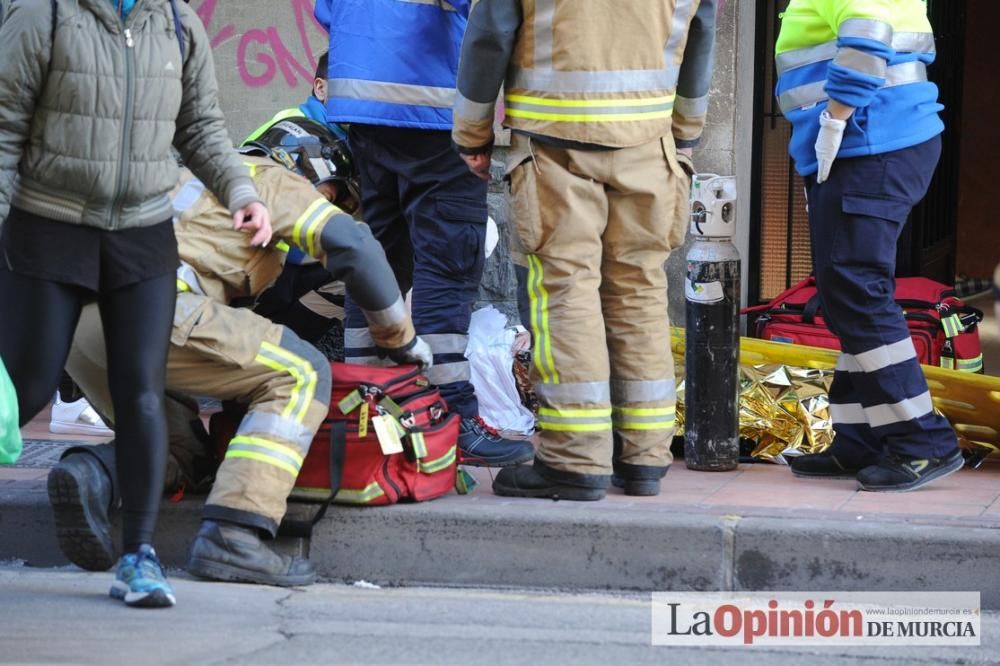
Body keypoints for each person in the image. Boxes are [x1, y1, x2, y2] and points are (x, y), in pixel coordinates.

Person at [49, 117, 430, 586]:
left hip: (77, 327)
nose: (329, 203)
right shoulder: (270, 179)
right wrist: (400, 338)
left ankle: (92, 475)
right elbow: (355, 246)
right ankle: (234, 535)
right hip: (151, 311)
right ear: (312, 166)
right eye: (333, 194)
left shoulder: (187, 174)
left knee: (181, 454)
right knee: (301, 373)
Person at [0, 0, 270, 607]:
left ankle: (139, 557)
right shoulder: (41, 14)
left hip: (142, 235)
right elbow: (3, 127)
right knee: (28, 385)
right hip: (50, 224)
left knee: (141, 390)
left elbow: (200, 125)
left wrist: (241, 191)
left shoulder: (174, 22)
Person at [451, 0, 717, 500]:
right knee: (639, 293)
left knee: (565, 293)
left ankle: (575, 461)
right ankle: (643, 457)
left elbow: (489, 35)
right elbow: (700, 33)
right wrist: (685, 132)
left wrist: (472, 134)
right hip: (650, 141)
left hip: (555, 144)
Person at [313, 0, 535, 468]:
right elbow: (484, 14)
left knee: (380, 257)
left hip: (362, 102)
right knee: (448, 258)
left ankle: (368, 402)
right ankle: (448, 415)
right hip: (432, 105)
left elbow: (327, 11)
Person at [776, 0, 962, 491]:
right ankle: (860, 439)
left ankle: (925, 443)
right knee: (847, 293)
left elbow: (866, 38)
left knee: (856, 288)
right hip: (877, 141)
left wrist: (835, 120)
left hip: (868, 142)